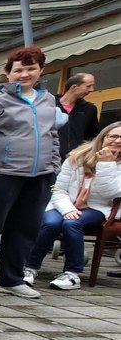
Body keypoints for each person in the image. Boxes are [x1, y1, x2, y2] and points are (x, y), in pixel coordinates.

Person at [0, 46, 60, 300]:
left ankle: (11, 279)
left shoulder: (47, 100)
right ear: (8, 73)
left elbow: (52, 135)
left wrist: (54, 165)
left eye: (31, 69)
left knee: (25, 229)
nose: (25, 74)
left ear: (41, 70)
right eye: (19, 70)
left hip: (39, 176)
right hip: (2, 175)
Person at [24, 122, 121, 291]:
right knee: (51, 223)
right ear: (103, 137)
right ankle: (29, 268)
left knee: (72, 223)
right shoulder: (78, 157)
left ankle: (72, 274)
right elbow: (59, 189)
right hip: (64, 202)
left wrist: (107, 164)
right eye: (113, 136)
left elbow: (111, 193)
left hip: (100, 207)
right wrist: (68, 209)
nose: (117, 141)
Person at [57, 73, 100, 159]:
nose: (92, 89)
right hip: (48, 159)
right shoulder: (49, 104)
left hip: (75, 160)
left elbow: (92, 137)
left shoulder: (90, 109)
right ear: (74, 87)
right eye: (88, 86)